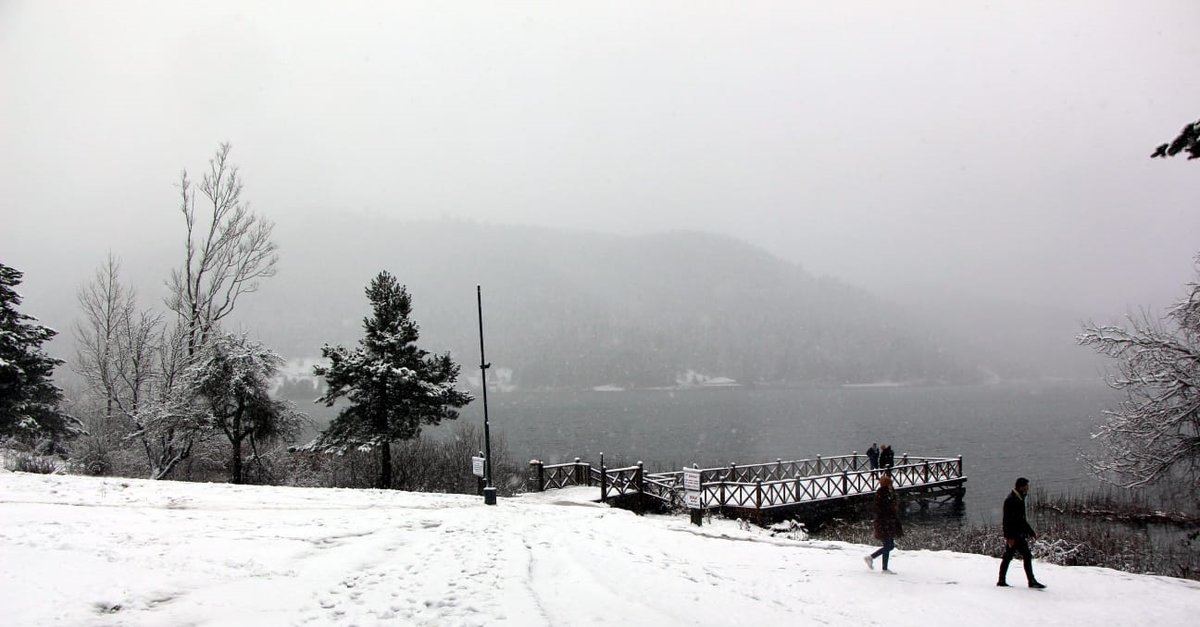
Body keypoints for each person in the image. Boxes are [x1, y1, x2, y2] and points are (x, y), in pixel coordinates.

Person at [997, 477, 1046, 589]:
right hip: (1014, 535)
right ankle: (1031, 581)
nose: (1028, 488)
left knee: (1009, 556)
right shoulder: (1011, 500)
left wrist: (1030, 531)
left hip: (1017, 534)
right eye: (1026, 486)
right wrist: (1009, 536)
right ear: (1021, 487)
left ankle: (1002, 580)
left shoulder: (1019, 498)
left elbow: (1021, 519)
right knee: (1025, 555)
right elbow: (1007, 520)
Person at [863, 473, 903, 573]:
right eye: (890, 484)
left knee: (889, 545)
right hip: (884, 524)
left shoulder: (888, 493)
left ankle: (874, 559)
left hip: (887, 523)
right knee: (888, 545)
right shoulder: (883, 494)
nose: (891, 486)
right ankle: (880, 565)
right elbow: (883, 509)